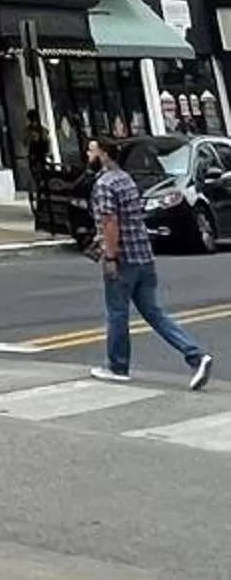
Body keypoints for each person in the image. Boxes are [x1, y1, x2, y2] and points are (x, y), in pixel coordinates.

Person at [88, 134, 212, 389]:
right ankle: (195, 355)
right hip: (144, 255)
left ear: (104, 154)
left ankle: (117, 367)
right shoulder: (126, 180)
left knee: (117, 313)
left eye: (92, 151)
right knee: (154, 312)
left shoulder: (104, 184)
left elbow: (111, 222)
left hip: (124, 258)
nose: (88, 156)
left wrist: (110, 256)